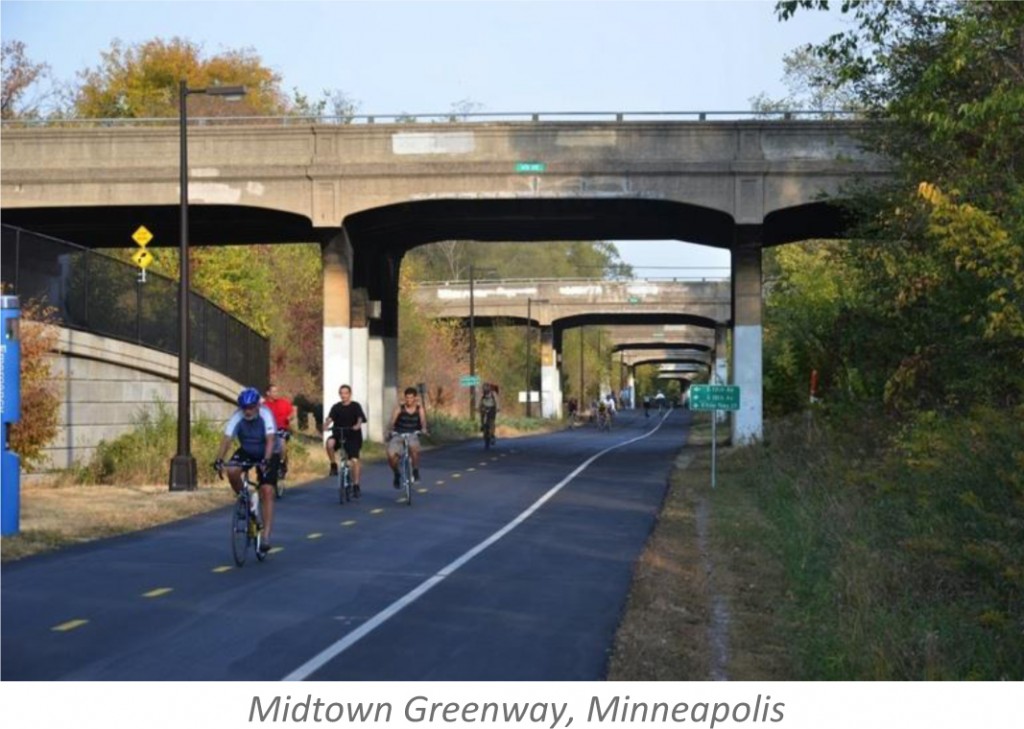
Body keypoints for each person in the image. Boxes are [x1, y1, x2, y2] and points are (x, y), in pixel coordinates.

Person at [214, 387, 279, 553]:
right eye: (244, 408)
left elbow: (270, 439)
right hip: (248, 449)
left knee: (267, 490)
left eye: (251, 407)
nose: (248, 411)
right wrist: (219, 459)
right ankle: (246, 500)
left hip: (268, 451)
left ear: (257, 406)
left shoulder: (266, 414)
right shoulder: (238, 416)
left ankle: (266, 536)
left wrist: (266, 460)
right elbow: (227, 439)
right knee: (232, 470)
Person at [323, 384, 367, 498]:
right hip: (339, 433)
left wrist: (357, 425)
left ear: (350, 394)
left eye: (346, 393)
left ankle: (356, 485)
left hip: (353, 436)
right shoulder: (336, 407)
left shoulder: (355, 406)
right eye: (342, 393)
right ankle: (333, 464)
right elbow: (330, 418)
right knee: (329, 443)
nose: (344, 395)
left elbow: (360, 418)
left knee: (354, 460)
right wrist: (326, 424)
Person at [387, 386, 428, 488]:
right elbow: (392, 421)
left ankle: (415, 470)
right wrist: (390, 430)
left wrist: (423, 429)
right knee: (391, 455)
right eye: (407, 398)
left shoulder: (419, 409)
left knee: (413, 447)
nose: (409, 400)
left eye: (411, 397)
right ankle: (396, 473)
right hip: (399, 433)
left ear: (415, 398)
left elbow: (423, 421)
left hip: (412, 433)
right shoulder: (400, 408)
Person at [263, 383, 293, 478]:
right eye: (274, 391)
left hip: (282, 429)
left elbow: (292, 413)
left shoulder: (284, 403)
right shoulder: (264, 406)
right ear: (268, 393)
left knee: (281, 443)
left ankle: (282, 463)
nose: (276, 393)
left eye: (277, 391)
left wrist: (289, 418)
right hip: (269, 430)